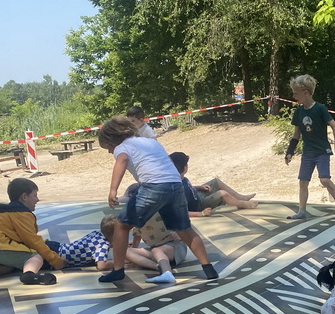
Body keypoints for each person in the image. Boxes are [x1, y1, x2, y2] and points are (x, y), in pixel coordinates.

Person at [97, 115, 218, 283]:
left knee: (121, 225)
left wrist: (113, 190)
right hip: (176, 184)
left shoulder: (122, 146)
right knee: (184, 229)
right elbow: (167, 161)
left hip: (153, 186)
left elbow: (122, 160)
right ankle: (209, 269)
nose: (110, 151)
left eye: (108, 147)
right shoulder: (151, 142)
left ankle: (118, 271)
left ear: (112, 139)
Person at [0, 177, 64, 285]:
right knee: (34, 257)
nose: (37, 200)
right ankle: (29, 275)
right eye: (35, 196)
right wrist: (55, 260)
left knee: (13, 262)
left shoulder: (1, 213)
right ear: (24, 197)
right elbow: (32, 241)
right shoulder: (22, 214)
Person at [284, 74, 335, 220]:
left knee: (324, 179)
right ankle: (302, 210)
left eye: (296, 93)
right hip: (308, 153)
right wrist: (289, 152)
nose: (293, 96)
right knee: (303, 181)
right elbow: (296, 135)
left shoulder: (320, 108)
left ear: (306, 92)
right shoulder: (298, 112)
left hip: (322, 151)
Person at [120, 184, 190, 284]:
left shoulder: (162, 210)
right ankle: (157, 266)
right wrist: (133, 250)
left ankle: (167, 272)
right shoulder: (137, 218)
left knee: (156, 251)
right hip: (154, 249)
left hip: (175, 246)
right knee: (126, 251)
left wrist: (178, 235)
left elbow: (183, 223)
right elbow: (137, 236)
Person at [168, 151, 258, 215]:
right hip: (199, 206)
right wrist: (200, 214)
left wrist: (199, 187)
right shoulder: (177, 187)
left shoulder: (181, 178)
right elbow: (181, 210)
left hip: (197, 196)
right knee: (222, 194)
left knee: (216, 181)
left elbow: (189, 188)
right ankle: (243, 204)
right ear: (184, 168)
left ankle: (241, 197)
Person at [52, 214, 117, 271]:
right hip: (56, 257)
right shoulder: (103, 245)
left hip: (58, 247)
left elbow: (93, 246)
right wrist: (117, 262)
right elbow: (101, 266)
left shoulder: (97, 233)